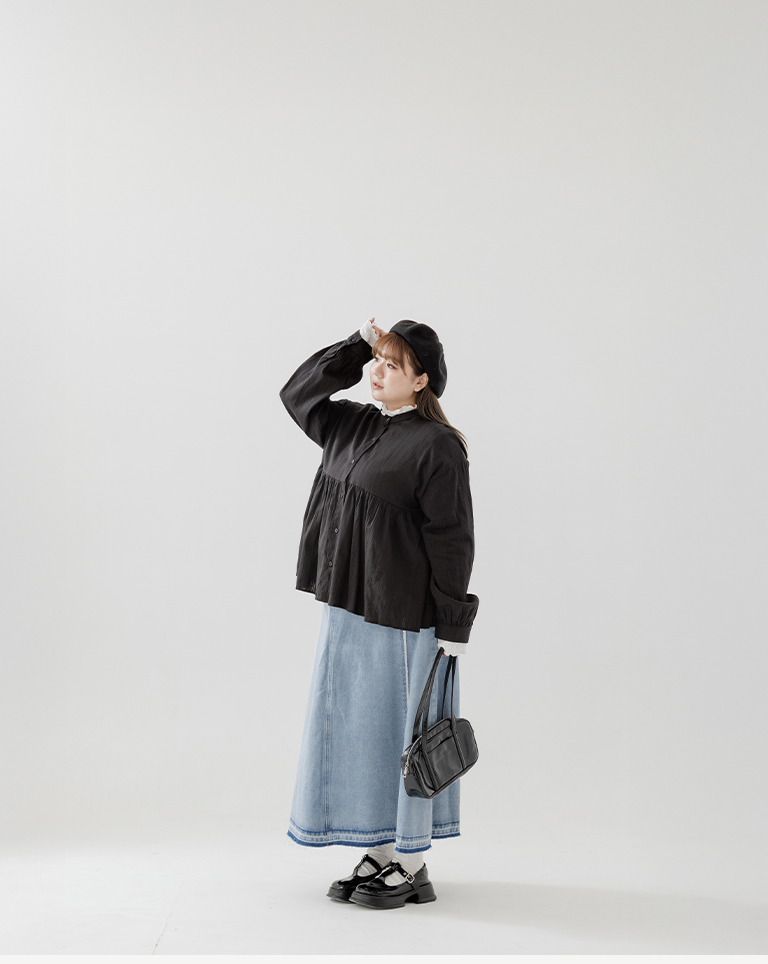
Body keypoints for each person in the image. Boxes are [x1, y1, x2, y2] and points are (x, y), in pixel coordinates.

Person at [279, 317, 479, 909]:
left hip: (406, 618)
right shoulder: (349, 424)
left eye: (393, 365)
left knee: (402, 733)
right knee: (357, 729)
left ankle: (411, 862)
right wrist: (355, 347)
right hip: (348, 607)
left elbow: (452, 537)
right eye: (378, 361)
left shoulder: (438, 446)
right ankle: (380, 848)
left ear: (421, 381)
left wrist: (454, 623)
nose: (378, 372)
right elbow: (297, 395)